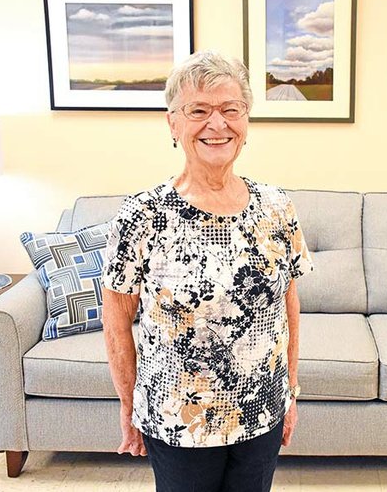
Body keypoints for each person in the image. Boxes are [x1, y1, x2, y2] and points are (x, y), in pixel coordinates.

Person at [101, 51, 313, 492]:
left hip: (261, 410)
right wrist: (129, 405)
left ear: (246, 121)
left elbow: (288, 305)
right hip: (179, 420)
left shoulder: (277, 207)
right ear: (173, 124)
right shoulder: (141, 214)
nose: (218, 124)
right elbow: (117, 322)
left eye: (231, 109)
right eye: (199, 110)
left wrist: (290, 390)